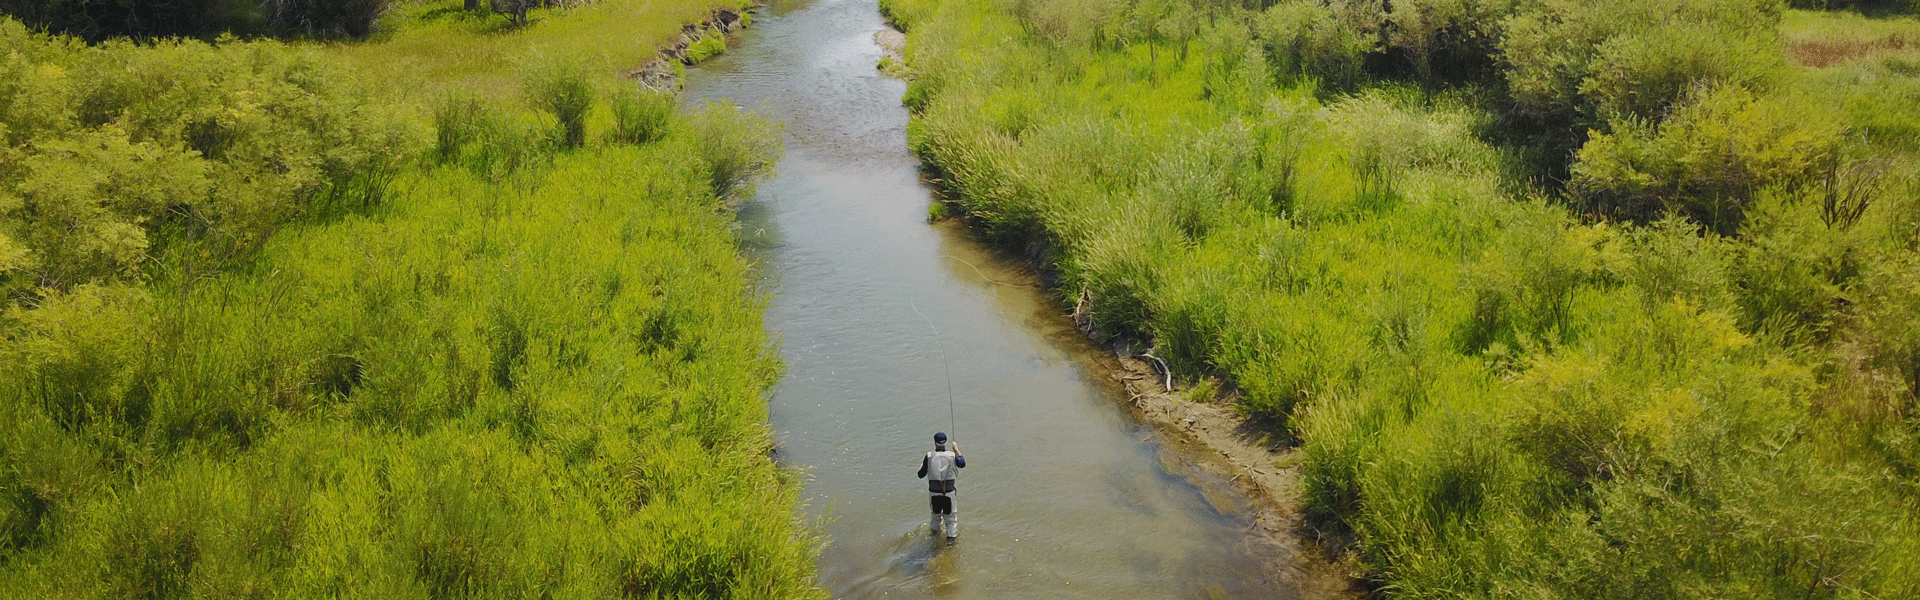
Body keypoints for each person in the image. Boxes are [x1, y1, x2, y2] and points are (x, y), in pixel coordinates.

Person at [917, 431, 966, 539]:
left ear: (935, 443)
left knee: (935, 517)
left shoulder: (929, 456)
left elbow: (920, 475)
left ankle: (933, 539)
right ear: (945, 443)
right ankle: (951, 545)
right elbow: (962, 463)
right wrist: (956, 449)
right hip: (949, 493)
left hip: (934, 493)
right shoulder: (952, 455)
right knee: (951, 521)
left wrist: (921, 467)